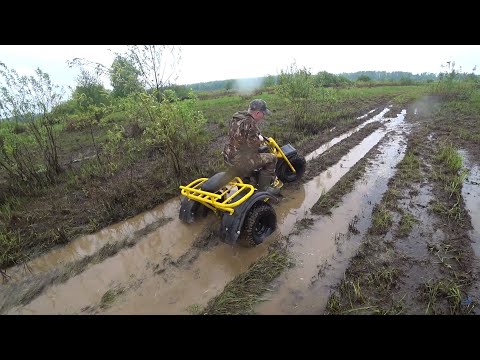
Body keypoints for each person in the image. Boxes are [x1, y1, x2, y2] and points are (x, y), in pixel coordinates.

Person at [223, 99, 283, 195]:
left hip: (228, 155)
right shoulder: (251, 124)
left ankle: (248, 182)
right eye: (263, 114)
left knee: (254, 157)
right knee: (272, 158)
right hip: (240, 160)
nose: (264, 117)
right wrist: (260, 140)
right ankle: (265, 188)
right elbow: (253, 146)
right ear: (258, 113)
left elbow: (240, 137)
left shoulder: (237, 118)